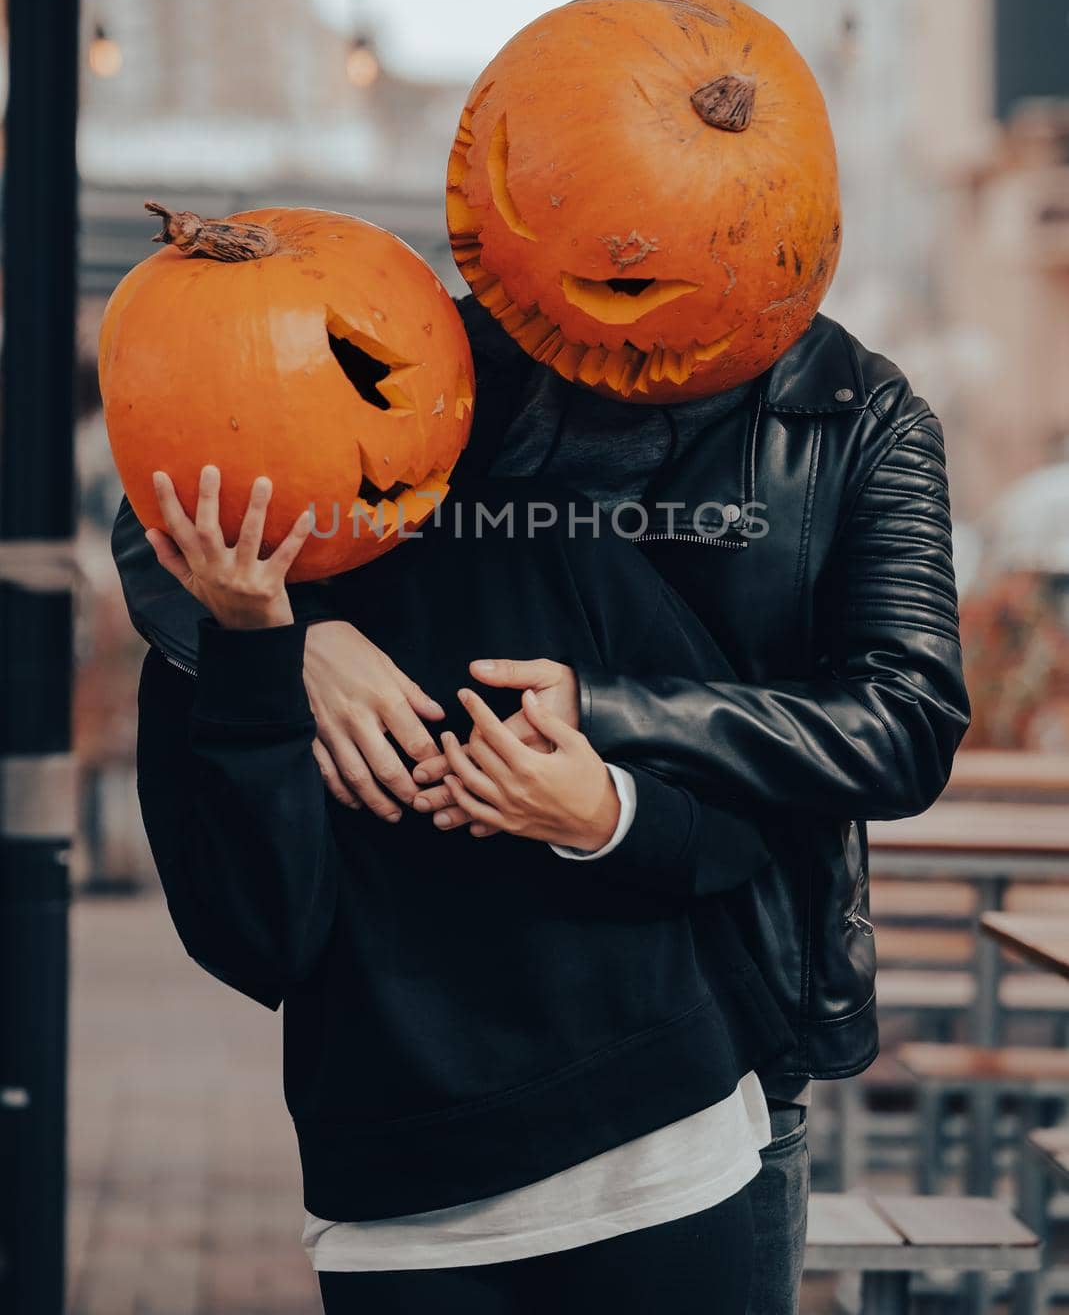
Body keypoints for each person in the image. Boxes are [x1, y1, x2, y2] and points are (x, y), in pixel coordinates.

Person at [114, 282, 971, 1313]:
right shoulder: (240, 625)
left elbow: (869, 745)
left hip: (683, 1111)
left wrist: (600, 786)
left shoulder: (587, 530)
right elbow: (255, 939)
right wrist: (277, 645)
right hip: (399, 1191)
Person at [133, 457, 798, 1312]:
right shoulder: (201, 656)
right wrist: (261, 648)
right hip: (402, 1210)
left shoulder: (538, 528)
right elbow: (262, 945)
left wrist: (600, 813)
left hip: (657, 1165)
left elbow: (747, 813)